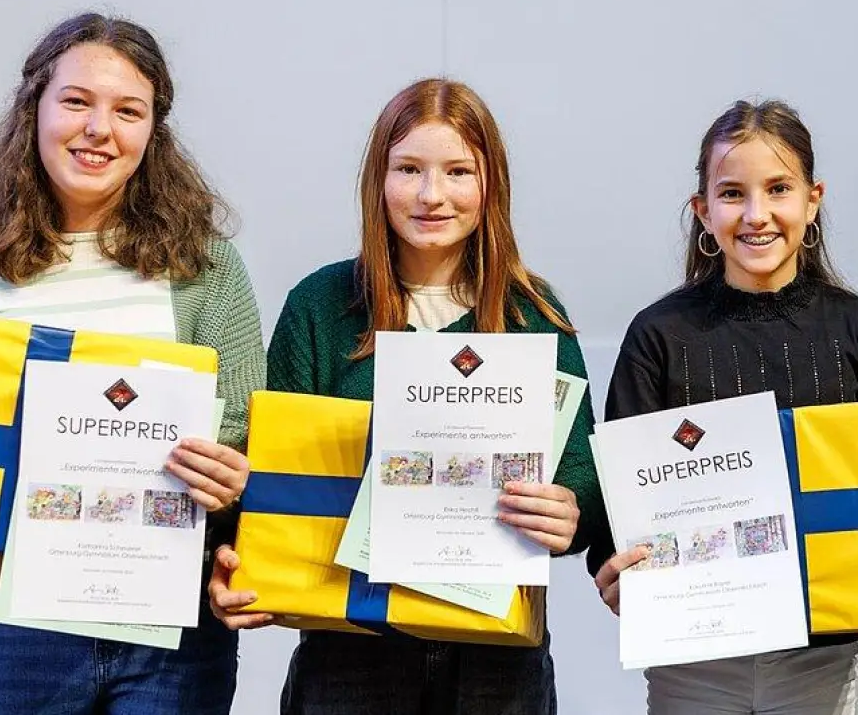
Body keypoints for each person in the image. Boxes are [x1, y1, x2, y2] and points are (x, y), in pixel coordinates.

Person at [208, 78, 605, 714]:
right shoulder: (320, 305)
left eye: (457, 172)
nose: (431, 195)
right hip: (350, 653)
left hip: (496, 663)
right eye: (409, 169)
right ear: (378, 180)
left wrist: (570, 511)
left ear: (490, 185)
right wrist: (231, 560)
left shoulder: (533, 312)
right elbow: (264, 472)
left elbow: (583, 474)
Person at [0, 12, 267, 713]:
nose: (98, 128)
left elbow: (249, 450)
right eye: (76, 101)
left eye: (128, 110)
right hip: (16, 633)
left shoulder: (207, 273)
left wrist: (236, 486)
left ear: (152, 132)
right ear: (35, 108)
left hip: (169, 635)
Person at [591, 99, 858, 715]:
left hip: (820, 660)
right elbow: (614, 503)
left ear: (813, 201)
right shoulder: (659, 336)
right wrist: (610, 567)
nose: (757, 215)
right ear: (703, 212)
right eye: (732, 194)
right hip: (692, 662)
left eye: (778, 189)